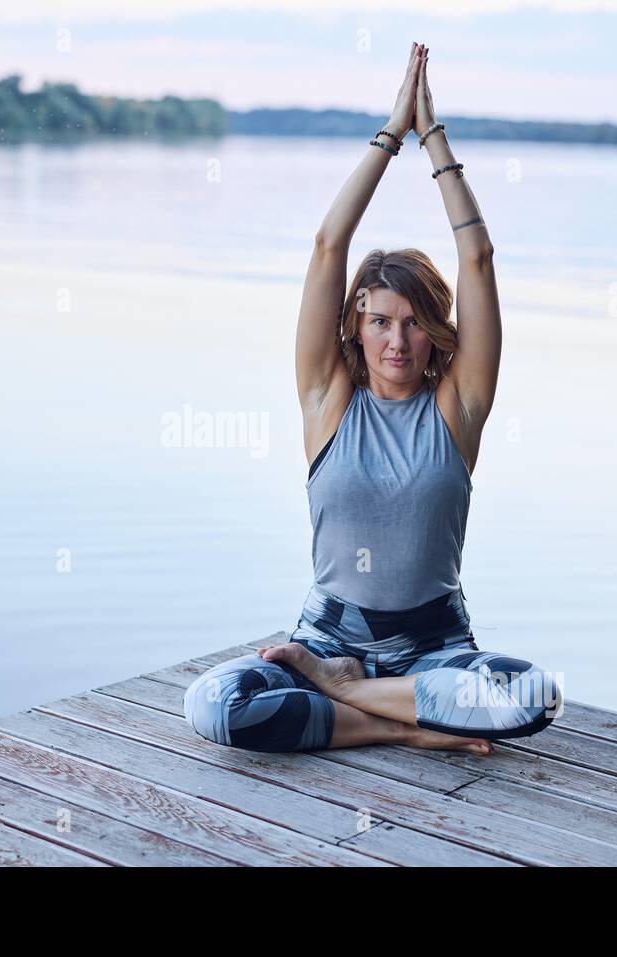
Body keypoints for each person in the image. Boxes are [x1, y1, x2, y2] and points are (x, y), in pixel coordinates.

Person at [183, 42, 563, 757]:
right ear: (356, 326)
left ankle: (348, 695)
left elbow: (477, 257)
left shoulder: (459, 408)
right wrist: (391, 135)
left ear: (436, 332)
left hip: (434, 645)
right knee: (214, 705)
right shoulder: (327, 399)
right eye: (381, 320)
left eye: (415, 322)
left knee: (534, 695)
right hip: (328, 633)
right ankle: (414, 728)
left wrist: (435, 139)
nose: (397, 339)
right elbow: (330, 245)